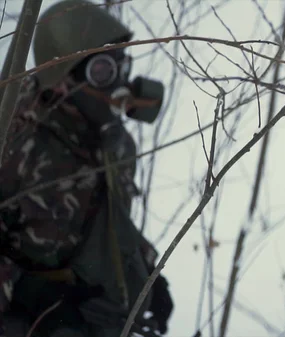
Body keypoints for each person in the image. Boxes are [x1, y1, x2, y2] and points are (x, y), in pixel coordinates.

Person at [0, 0, 173, 336]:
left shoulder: (116, 142)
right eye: (103, 72)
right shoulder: (14, 138)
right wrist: (31, 296)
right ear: (61, 78)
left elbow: (110, 219)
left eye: (121, 68)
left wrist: (151, 275)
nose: (118, 83)